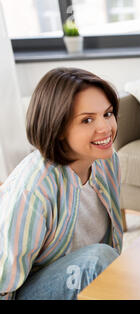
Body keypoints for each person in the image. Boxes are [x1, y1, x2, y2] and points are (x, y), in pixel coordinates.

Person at [0, 68, 123, 300]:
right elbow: (3, 281)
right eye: (87, 120)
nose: (105, 128)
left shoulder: (107, 160)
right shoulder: (33, 188)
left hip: (81, 281)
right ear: (57, 128)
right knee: (97, 260)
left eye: (107, 114)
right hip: (25, 292)